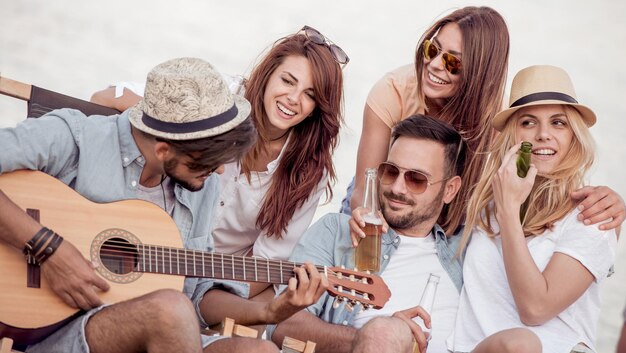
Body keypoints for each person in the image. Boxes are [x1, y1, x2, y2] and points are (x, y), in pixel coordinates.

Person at [0, 57, 325, 353]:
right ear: (163, 149)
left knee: (259, 351)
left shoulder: (202, 186)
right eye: (208, 162)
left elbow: (196, 295)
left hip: (158, 335)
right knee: (169, 310)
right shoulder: (76, 138)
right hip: (54, 335)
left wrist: (269, 311)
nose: (221, 171)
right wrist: (47, 248)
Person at [91, 26, 346, 332]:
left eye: (310, 95)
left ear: (318, 108)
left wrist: (201, 286)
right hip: (139, 240)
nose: (293, 99)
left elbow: (262, 268)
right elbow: (105, 96)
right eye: (287, 81)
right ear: (268, 74)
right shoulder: (219, 95)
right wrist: (175, 128)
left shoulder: (309, 172)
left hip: (212, 279)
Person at [342, 6, 625, 236]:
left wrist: (605, 198)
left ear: (479, 72)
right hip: (381, 204)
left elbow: (546, 170)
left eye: (454, 62)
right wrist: (374, 231)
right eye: (432, 49)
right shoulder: (393, 90)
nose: (435, 64)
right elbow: (364, 187)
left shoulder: (499, 120)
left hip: (448, 224)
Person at [447, 65, 617, 353]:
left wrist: (508, 213)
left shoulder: (590, 215)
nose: (543, 134)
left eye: (558, 123)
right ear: (513, 134)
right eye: (527, 122)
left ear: (574, 134)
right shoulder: (482, 203)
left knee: (521, 344)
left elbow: (535, 309)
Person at [268, 114, 467, 353]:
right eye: (391, 171)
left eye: (416, 179)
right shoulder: (337, 231)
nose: (397, 188)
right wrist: (369, 338)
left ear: (450, 190)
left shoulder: (467, 251)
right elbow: (283, 324)